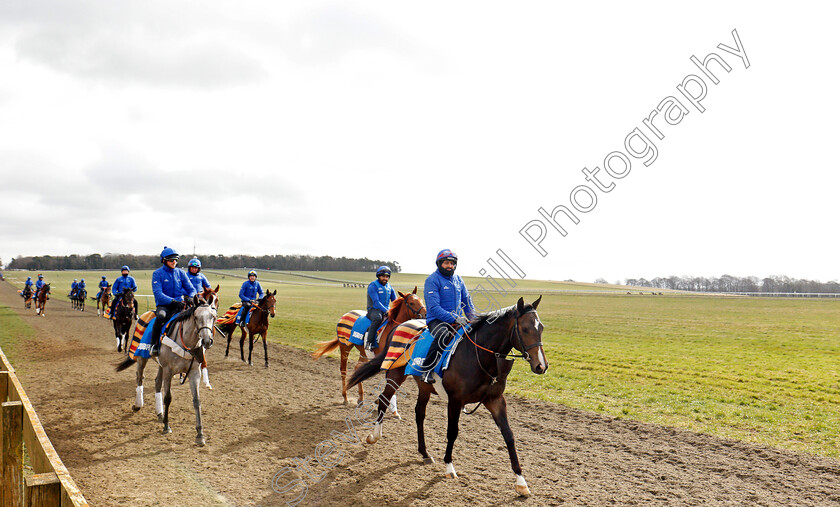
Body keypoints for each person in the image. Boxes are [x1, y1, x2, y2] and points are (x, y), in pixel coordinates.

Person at [419, 249, 475, 384]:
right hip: (437, 321)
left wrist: (474, 319)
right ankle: (426, 370)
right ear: (439, 264)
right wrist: (454, 318)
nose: (450, 266)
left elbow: (466, 302)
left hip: (458, 320)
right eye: (446, 263)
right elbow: (434, 308)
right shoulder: (432, 280)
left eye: (452, 263)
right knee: (443, 334)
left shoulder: (458, 280)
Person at [150, 247, 196, 356]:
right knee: (160, 317)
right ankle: (154, 345)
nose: (174, 262)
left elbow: (192, 289)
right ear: (164, 261)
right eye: (171, 260)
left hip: (180, 305)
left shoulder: (181, 273)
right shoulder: (157, 274)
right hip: (164, 306)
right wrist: (173, 301)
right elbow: (158, 293)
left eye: (175, 260)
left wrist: (191, 297)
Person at [364, 266, 396, 351]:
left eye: (387, 276)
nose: (385, 278)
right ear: (378, 276)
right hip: (374, 309)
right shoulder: (373, 286)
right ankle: (369, 342)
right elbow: (376, 302)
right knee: (378, 319)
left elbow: (395, 300)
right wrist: (386, 310)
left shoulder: (390, 287)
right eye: (383, 276)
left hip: (387, 309)